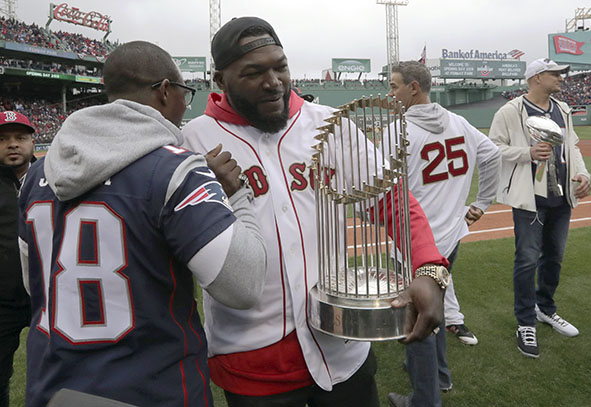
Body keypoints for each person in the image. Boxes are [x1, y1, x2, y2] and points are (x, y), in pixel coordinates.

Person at [182, 17, 449, 407]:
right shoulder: (193, 141)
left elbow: (391, 200)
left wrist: (428, 268)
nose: (272, 81)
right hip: (253, 359)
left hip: (343, 344)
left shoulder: (327, 124)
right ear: (220, 81)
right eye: (253, 73)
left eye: (280, 66)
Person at [18, 41, 267, 406]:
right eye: (185, 93)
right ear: (166, 91)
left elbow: (34, 284)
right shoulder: (176, 170)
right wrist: (234, 197)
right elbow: (243, 285)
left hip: (55, 387)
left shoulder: (36, 174)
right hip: (152, 387)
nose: (185, 105)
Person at [383, 61, 500, 406]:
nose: (391, 93)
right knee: (436, 306)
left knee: (417, 318)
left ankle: (424, 399)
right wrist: (481, 201)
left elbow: (381, 191)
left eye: (394, 86)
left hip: (415, 242)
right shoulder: (458, 121)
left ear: (413, 88)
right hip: (450, 235)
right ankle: (440, 377)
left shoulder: (397, 131)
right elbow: (491, 155)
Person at [489, 58, 591, 358]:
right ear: (535, 78)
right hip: (529, 198)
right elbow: (493, 148)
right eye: (554, 74)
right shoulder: (511, 110)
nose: (561, 78)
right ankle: (525, 322)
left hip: (561, 197)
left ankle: (545, 308)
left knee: (554, 258)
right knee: (527, 260)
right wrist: (526, 152)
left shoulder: (563, 109)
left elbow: (571, 146)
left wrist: (583, 175)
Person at [0, 111, 35, 407]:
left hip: (47, 298)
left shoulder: (54, 178)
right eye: (3, 139)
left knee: (57, 372)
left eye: (20, 138)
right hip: (2, 301)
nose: (12, 144)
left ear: (32, 142)